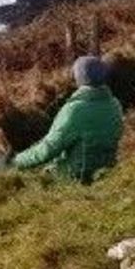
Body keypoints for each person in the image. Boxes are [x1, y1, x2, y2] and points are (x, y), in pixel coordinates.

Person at [12, 55, 124, 183]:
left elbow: (48, 149)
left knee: (31, 180)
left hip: (75, 176)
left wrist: (16, 161)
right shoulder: (114, 104)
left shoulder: (74, 109)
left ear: (79, 78)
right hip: (107, 170)